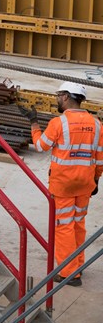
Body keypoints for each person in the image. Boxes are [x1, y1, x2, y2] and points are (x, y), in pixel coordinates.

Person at [26, 81, 102, 287]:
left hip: (64, 185)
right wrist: (96, 179)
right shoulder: (96, 124)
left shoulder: (59, 123)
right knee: (78, 224)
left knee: (64, 226)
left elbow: (41, 146)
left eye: (59, 95)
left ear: (67, 97)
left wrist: (34, 125)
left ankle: (69, 273)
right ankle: (78, 265)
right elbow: (100, 157)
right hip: (85, 184)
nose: (57, 98)